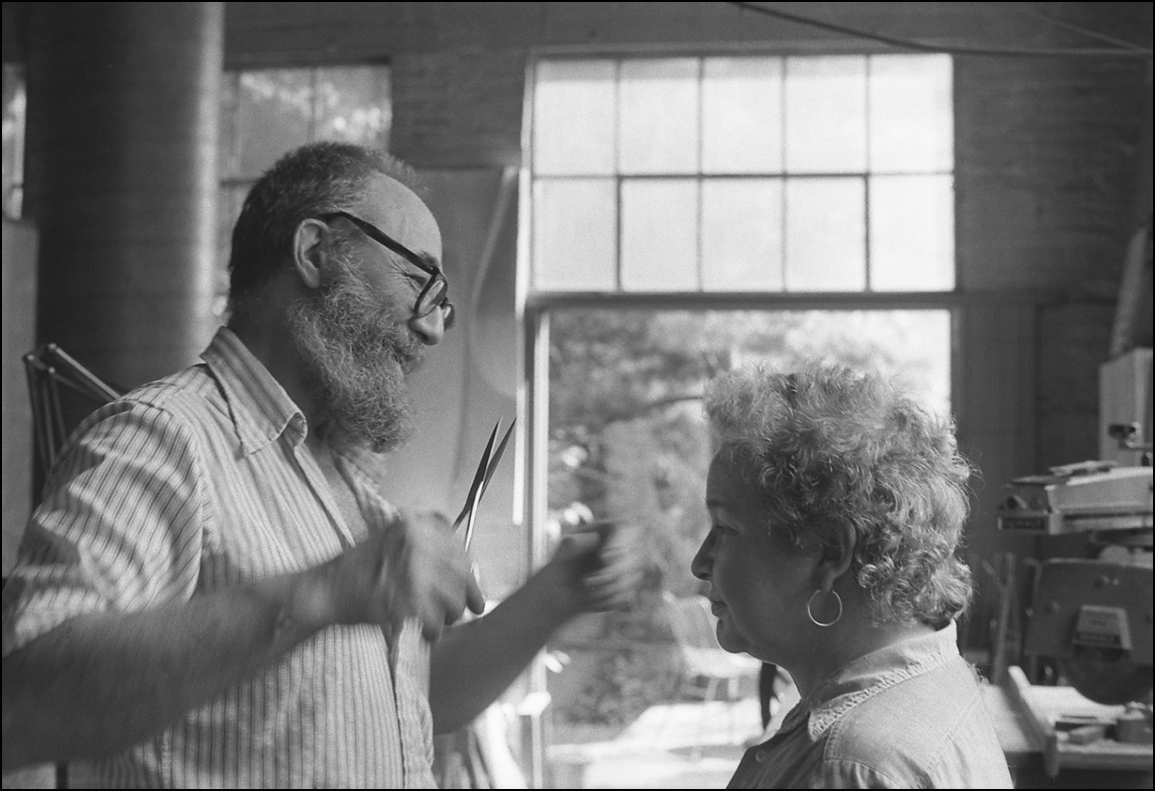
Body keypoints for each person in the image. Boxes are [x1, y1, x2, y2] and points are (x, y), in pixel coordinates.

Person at [1, 141, 640, 787]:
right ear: (314, 251)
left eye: (442, 301)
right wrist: (323, 591)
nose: (432, 330)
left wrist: (551, 595)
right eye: (417, 281)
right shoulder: (165, 440)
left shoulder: (348, 489)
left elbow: (405, 699)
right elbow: (24, 701)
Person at [691, 364, 1012, 789]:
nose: (699, 562)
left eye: (726, 529)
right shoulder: (931, 686)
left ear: (830, 552)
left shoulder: (847, 765)